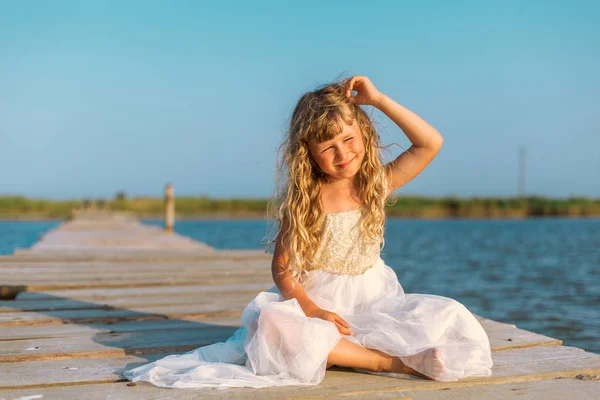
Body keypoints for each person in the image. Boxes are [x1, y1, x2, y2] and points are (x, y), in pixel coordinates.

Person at [124, 76, 493, 389]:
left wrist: (377, 100)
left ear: (363, 131)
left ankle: (344, 352)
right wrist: (312, 309)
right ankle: (391, 363)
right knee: (273, 323)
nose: (343, 153)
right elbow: (282, 269)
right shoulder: (307, 200)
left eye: (349, 139)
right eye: (327, 147)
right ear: (309, 154)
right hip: (316, 303)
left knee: (448, 313)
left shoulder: (375, 184)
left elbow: (430, 143)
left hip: (372, 300)